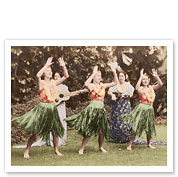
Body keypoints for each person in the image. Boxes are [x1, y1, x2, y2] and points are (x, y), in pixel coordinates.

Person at [12, 57, 69, 158]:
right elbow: (37, 75)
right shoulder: (41, 83)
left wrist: (63, 66)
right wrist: (46, 65)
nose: (50, 72)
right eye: (48, 71)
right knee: (36, 133)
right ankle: (27, 150)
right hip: (43, 109)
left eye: (50, 71)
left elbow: (66, 76)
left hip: (52, 109)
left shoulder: (54, 83)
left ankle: (56, 149)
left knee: (55, 132)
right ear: (44, 73)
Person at [65, 65, 118, 155]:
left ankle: (100, 147)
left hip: (101, 110)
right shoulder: (91, 86)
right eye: (97, 75)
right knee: (89, 130)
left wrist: (114, 72)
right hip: (92, 109)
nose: (99, 76)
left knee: (101, 131)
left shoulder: (103, 86)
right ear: (94, 77)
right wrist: (93, 73)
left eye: (99, 75)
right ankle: (81, 148)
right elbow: (86, 84)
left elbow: (115, 82)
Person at [32, 72, 81, 147]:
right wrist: (55, 99)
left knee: (61, 121)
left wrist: (76, 93)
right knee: (51, 123)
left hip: (61, 107)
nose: (57, 77)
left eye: (58, 76)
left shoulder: (64, 87)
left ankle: (61, 141)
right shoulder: (52, 85)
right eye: (55, 76)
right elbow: (48, 95)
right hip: (53, 106)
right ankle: (50, 141)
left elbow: (66, 96)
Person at [120, 68, 163, 150]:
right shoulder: (141, 89)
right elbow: (136, 88)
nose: (145, 81)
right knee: (136, 126)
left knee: (149, 126)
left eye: (146, 79)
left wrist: (156, 76)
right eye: (143, 79)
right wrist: (140, 77)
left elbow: (160, 84)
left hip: (150, 109)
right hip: (141, 108)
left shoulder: (151, 88)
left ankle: (149, 144)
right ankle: (129, 144)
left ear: (149, 80)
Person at [108, 72, 134, 143]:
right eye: (120, 76)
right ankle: (116, 138)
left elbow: (131, 94)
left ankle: (126, 137)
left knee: (125, 120)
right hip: (117, 105)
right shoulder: (116, 84)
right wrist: (113, 95)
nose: (121, 77)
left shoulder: (128, 85)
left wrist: (127, 96)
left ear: (125, 77)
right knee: (117, 120)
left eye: (122, 76)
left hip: (125, 105)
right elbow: (109, 92)